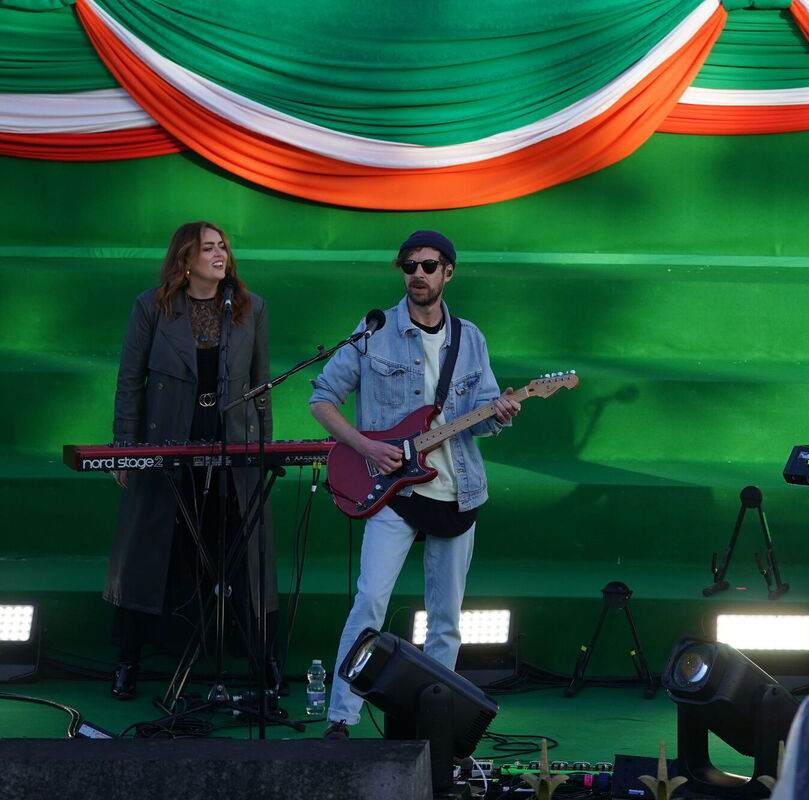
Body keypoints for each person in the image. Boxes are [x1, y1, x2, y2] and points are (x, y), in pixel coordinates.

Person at [310, 229, 520, 738]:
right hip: (393, 490)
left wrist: (503, 411)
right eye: (409, 265)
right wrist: (365, 447)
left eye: (429, 265)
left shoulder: (470, 338)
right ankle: (341, 717)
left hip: (457, 488)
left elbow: (483, 417)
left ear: (448, 272)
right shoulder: (373, 329)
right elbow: (321, 399)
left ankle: (435, 719)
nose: (418, 274)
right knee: (370, 603)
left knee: (445, 618)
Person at [106, 221, 277, 700]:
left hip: (233, 444)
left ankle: (265, 661)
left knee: (245, 553)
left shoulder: (250, 307)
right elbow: (129, 382)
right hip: (169, 441)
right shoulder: (152, 306)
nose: (220, 254)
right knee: (151, 550)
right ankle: (129, 662)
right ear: (185, 259)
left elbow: (261, 389)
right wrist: (125, 448)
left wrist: (264, 449)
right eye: (208, 248)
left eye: (223, 246)